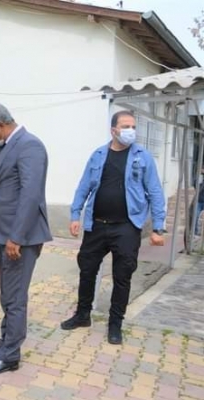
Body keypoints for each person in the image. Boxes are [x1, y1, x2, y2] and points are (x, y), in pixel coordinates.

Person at [61, 110, 165, 345]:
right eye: (126, 126)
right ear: (113, 130)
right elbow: (83, 185)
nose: (131, 131)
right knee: (87, 270)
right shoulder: (98, 155)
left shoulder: (142, 156)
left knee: (122, 276)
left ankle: (115, 324)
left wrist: (158, 228)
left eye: (133, 127)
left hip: (126, 227)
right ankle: (82, 315)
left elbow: (155, 192)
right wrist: (75, 214)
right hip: (96, 226)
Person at [0, 101, 52, 374]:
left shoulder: (30, 146)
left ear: (1, 125)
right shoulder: (7, 147)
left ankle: (9, 356)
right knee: (7, 293)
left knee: (15, 297)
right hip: (4, 232)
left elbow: (30, 196)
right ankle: (6, 341)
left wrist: (16, 237)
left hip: (20, 238)